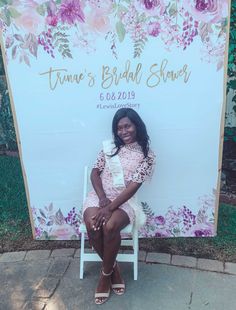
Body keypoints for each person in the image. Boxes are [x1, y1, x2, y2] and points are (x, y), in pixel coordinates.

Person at [83, 108, 155, 305]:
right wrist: (102, 199)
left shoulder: (147, 155)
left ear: (136, 125)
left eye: (127, 126)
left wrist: (110, 207)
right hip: (100, 198)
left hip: (125, 202)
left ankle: (105, 276)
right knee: (93, 225)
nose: (123, 131)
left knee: (110, 226)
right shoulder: (109, 148)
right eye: (119, 128)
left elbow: (133, 187)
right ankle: (113, 268)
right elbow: (95, 173)